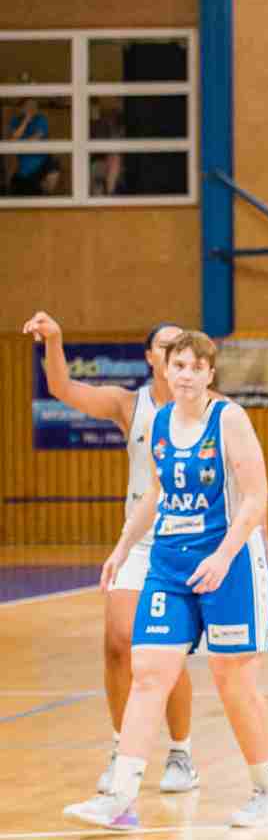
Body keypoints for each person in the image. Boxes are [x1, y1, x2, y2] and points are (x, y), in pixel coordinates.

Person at [64, 331, 268, 831]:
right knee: (148, 672)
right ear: (164, 370)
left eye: (194, 367)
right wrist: (123, 547)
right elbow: (155, 492)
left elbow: (256, 497)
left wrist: (224, 556)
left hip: (228, 563)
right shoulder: (159, 422)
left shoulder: (228, 419)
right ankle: (120, 798)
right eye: (177, 366)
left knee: (233, 679)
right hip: (169, 563)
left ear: (210, 374)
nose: (185, 374)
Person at [23, 313, 197, 794]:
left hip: (185, 541)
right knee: (119, 645)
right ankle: (122, 752)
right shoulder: (129, 405)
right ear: (150, 358)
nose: (171, 351)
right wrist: (55, 339)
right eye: (163, 345)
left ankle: (181, 753)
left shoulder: (208, 408)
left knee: (168, 653)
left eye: (179, 345)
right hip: (139, 540)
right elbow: (61, 388)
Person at [6, 99, 51, 195]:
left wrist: (19, 142)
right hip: (23, 165)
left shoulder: (41, 119)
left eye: (34, 106)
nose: (32, 108)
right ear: (21, 108)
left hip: (40, 161)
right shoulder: (16, 120)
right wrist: (25, 121)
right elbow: (14, 138)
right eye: (29, 106)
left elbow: (35, 138)